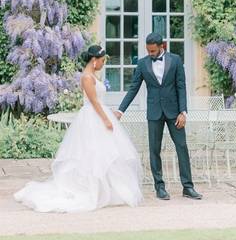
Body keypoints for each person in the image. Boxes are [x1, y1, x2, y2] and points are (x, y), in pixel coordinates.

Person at [14, 45, 143, 213]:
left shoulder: (93, 76)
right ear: (94, 60)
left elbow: (99, 101)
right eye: (102, 61)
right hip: (92, 118)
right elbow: (93, 101)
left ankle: (106, 190)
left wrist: (108, 113)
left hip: (99, 114)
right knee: (92, 154)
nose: (104, 64)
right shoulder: (87, 77)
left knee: (105, 153)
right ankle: (92, 190)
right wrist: (106, 119)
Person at [115, 34, 203, 201]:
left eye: (153, 50)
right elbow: (133, 88)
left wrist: (183, 112)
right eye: (148, 50)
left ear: (162, 45)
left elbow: (181, 87)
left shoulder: (176, 60)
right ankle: (159, 187)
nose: (150, 53)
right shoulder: (142, 63)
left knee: (182, 147)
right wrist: (121, 111)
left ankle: (188, 187)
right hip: (154, 113)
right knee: (154, 150)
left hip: (175, 113)